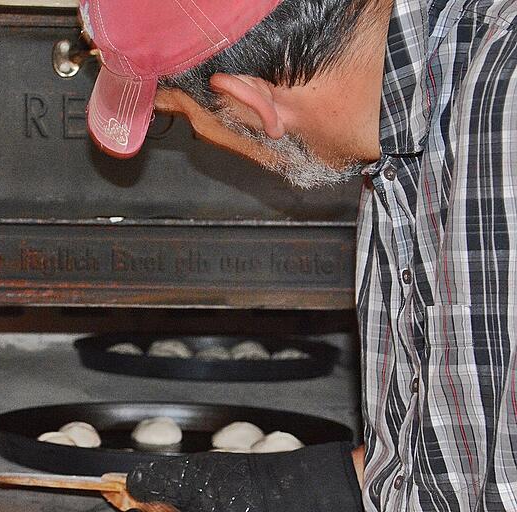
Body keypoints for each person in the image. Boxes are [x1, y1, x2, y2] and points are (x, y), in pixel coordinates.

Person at [79, 0, 517, 510]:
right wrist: (282, 488)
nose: (203, 140)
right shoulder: (392, 142)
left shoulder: (504, 104)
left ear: (248, 99)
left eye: (185, 123)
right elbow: (468, 451)